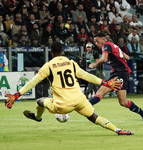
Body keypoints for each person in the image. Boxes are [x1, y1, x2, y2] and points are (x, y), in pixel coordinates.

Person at [4, 41, 133, 136]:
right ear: (62, 51)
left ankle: (37, 117)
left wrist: (17, 94)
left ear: (51, 52)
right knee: (95, 117)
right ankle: (117, 130)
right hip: (80, 100)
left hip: (63, 105)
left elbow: (33, 82)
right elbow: (86, 75)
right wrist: (105, 82)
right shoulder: (71, 62)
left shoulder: (48, 66)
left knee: (40, 101)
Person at [88, 32, 143, 125]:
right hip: (120, 73)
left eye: (97, 41)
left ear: (104, 39)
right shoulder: (114, 46)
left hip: (119, 73)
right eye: (95, 42)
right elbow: (127, 57)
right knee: (123, 102)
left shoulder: (106, 45)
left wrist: (94, 65)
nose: (96, 43)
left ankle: (84, 106)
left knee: (100, 92)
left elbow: (104, 59)